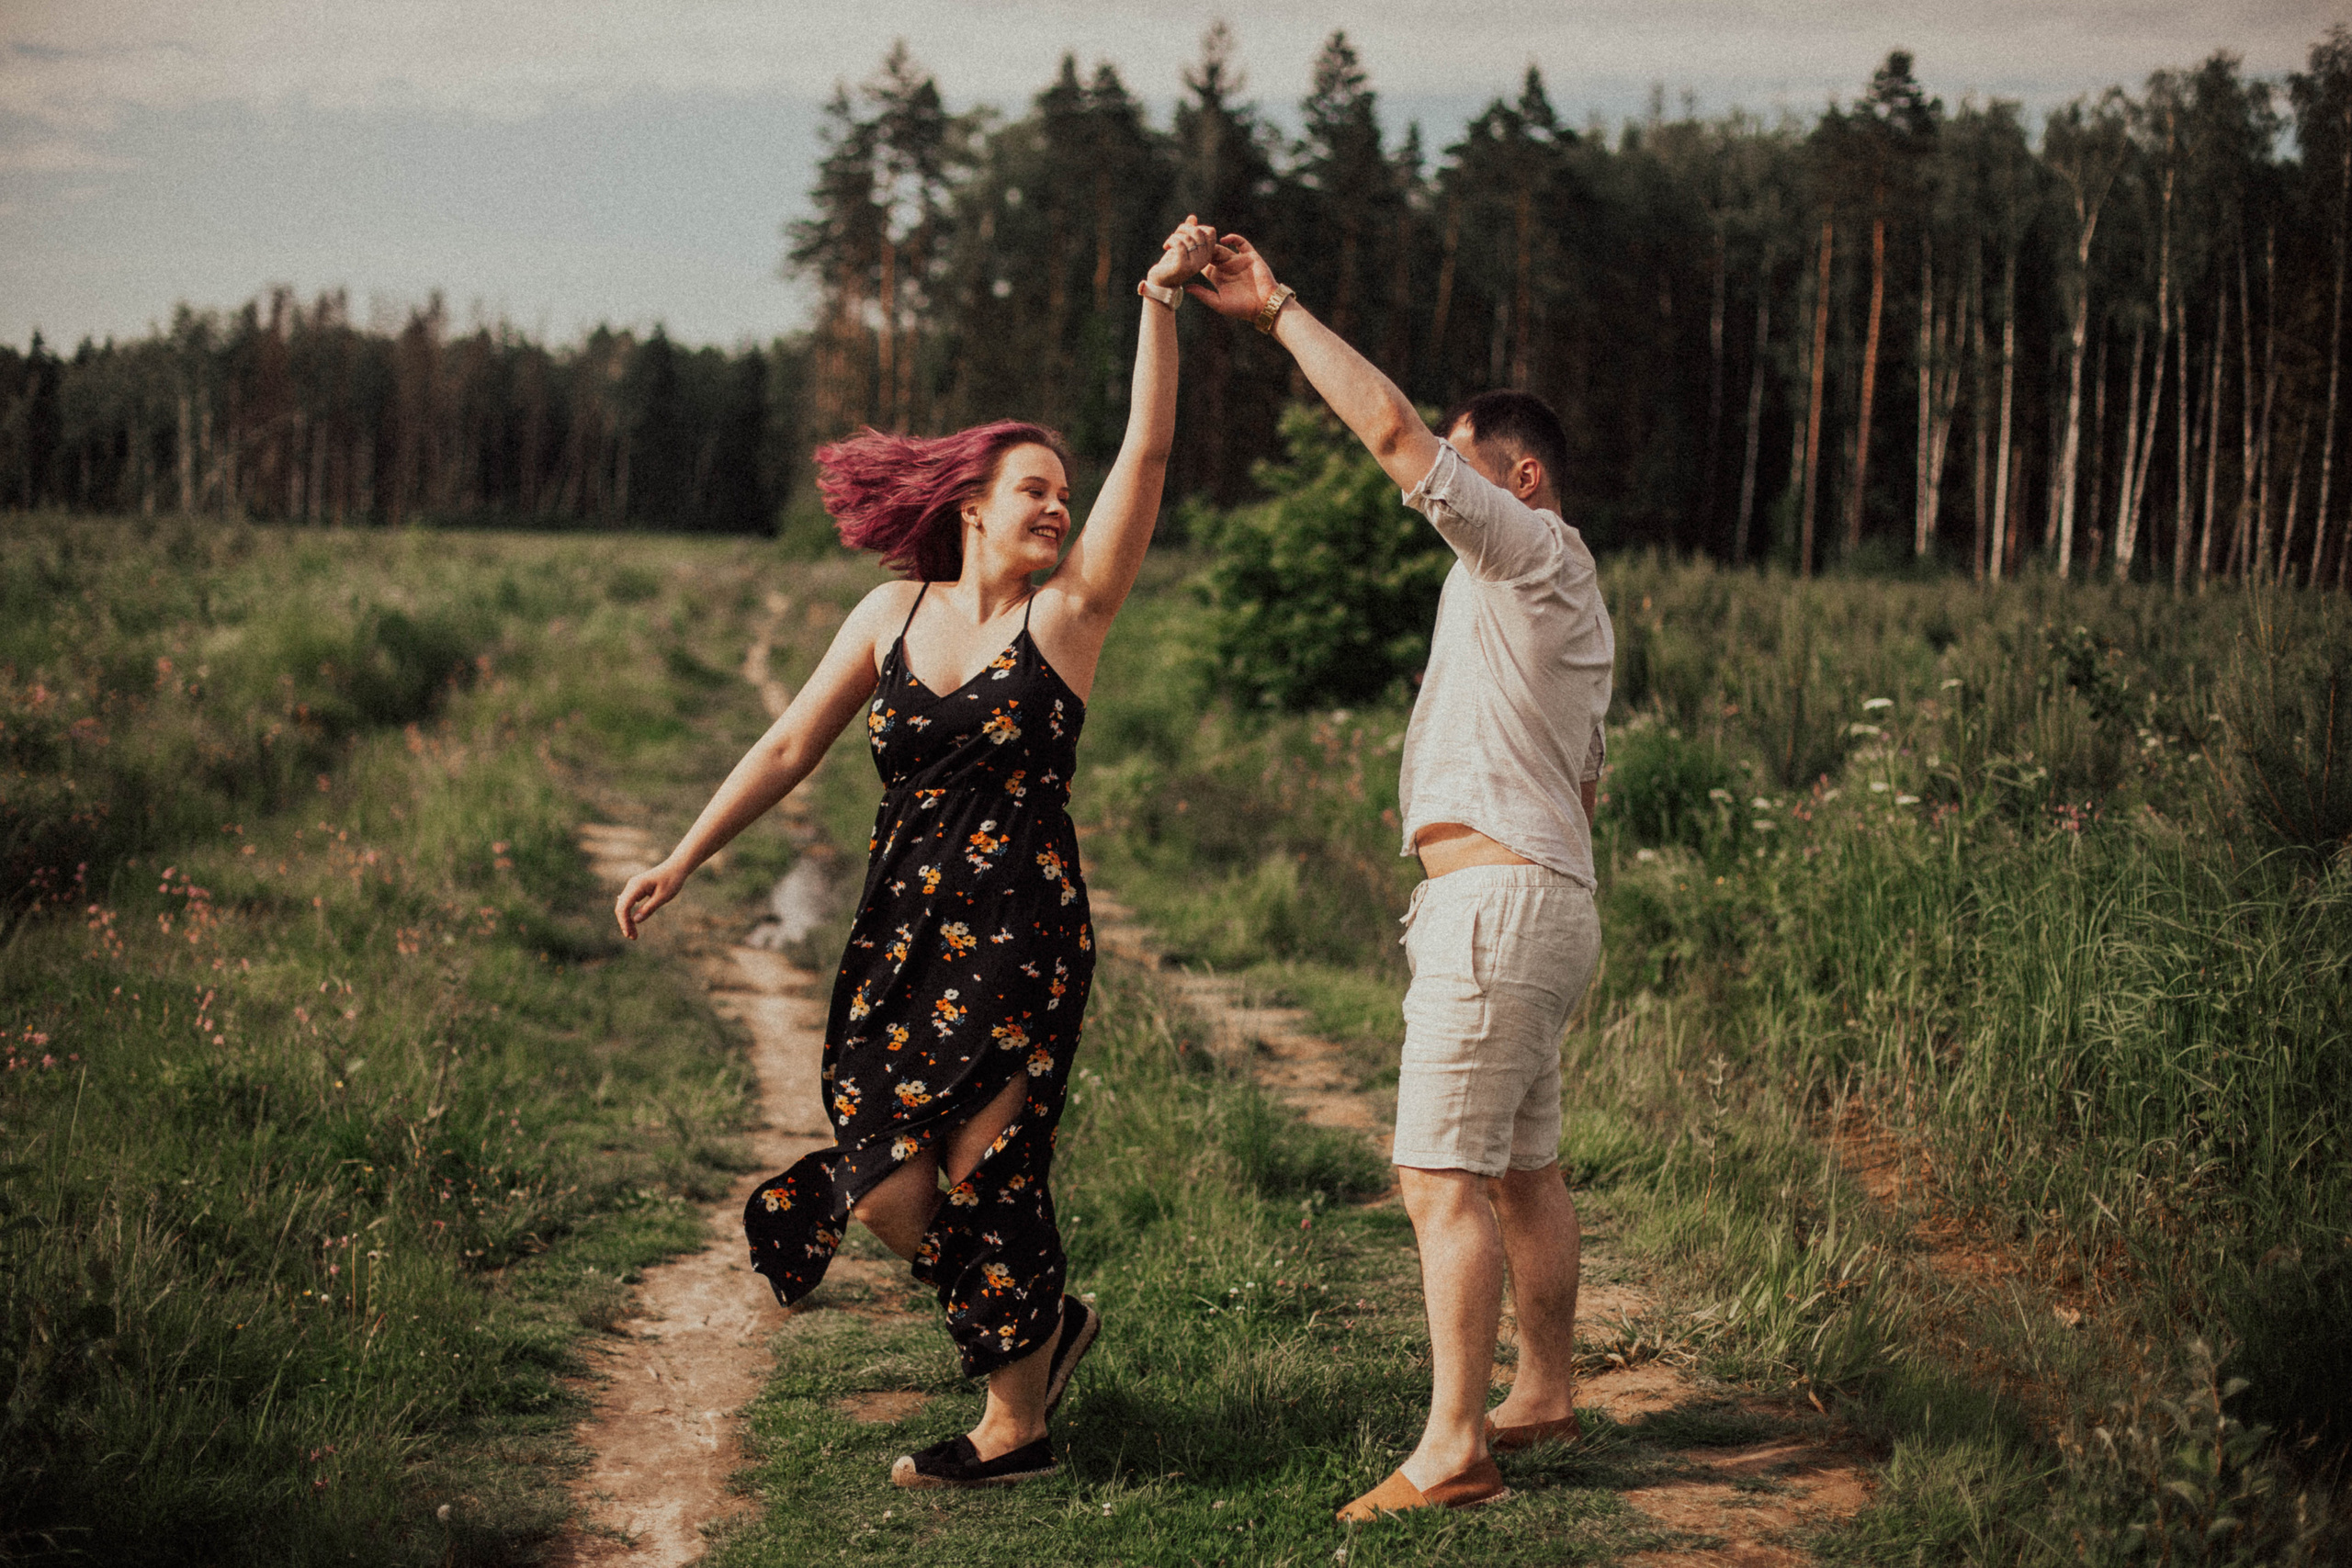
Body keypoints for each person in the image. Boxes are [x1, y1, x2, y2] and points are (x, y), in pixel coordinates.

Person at [614, 216, 1224, 1491]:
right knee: (887, 1185)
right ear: (969, 507)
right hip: (901, 925)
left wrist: (1159, 306)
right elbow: (788, 748)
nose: (1057, 504)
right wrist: (682, 858)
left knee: (987, 1169)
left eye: (1064, 489)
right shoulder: (888, 613)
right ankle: (1042, 1328)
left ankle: (1016, 1428)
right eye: (1034, 489)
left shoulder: (1069, 622)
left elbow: (1151, 452)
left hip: (1023, 926)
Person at [1190, 237, 1612, 1522]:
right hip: (1536, 899)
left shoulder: (1529, 550)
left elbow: (1390, 437)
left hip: (1498, 909)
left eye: (1469, 461)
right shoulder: (1543, 591)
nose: (1448, 475)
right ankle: (1541, 1391)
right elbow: (1586, 783)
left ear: (1519, 476)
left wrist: (1276, 316)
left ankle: (1452, 1447)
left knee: (1438, 1179)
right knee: (1523, 1170)